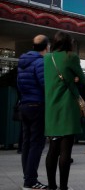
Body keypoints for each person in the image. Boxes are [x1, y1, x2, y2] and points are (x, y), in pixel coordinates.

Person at [44, 31, 85, 190]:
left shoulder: (47, 58)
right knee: (65, 151)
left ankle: (51, 185)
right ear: (69, 43)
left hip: (51, 108)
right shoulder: (71, 57)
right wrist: (74, 79)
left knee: (52, 149)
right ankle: (63, 187)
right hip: (68, 107)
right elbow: (82, 80)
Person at [17, 34, 49, 189]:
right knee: (36, 144)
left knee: (27, 143)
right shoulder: (40, 62)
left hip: (24, 104)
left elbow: (19, 84)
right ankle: (30, 181)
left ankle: (27, 178)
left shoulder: (22, 62)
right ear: (47, 47)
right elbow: (45, 85)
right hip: (37, 106)